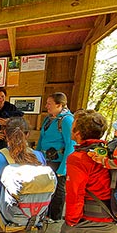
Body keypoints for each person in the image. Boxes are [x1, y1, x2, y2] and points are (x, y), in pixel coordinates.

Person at [36, 92, 75, 221]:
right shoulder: (49, 119)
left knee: (58, 189)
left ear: (59, 105)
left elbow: (71, 144)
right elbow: (41, 138)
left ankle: (55, 216)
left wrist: (63, 168)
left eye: (49, 103)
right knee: (45, 187)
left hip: (58, 161)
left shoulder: (67, 120)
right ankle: (44, 213)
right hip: (45, 159)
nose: (46, 106)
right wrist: (36, 156)